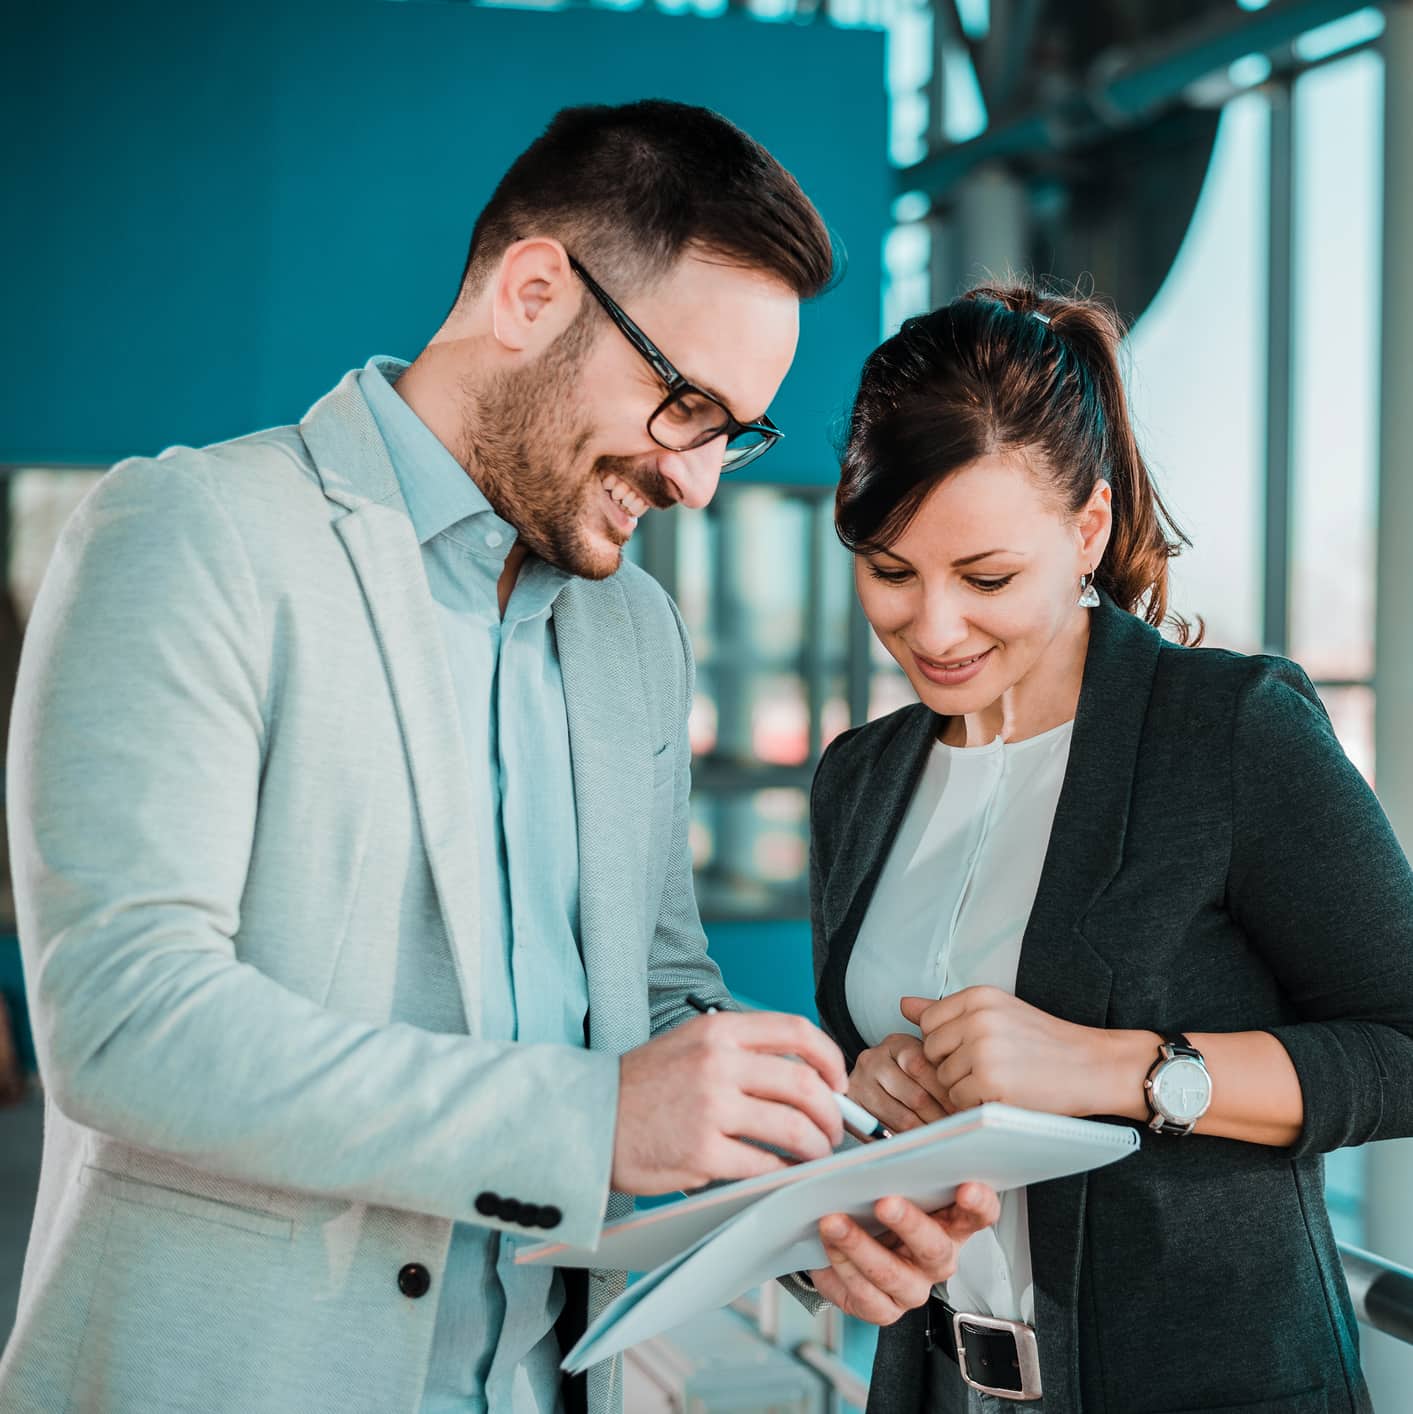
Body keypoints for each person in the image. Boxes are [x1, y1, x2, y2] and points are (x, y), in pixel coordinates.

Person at [0, 101, 1000, 1414]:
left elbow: (653, 997)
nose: (700, 482)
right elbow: (130, 1021)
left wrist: (802, 1193)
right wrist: (593, 1121)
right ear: (531, 292)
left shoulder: (633, 630)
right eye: (687, 403)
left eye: (732, 432)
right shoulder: (196, 534)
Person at [809, 281, 1413, 1413]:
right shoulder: (859, 777)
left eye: (986, 578)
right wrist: (866, 1091)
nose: (933, 629)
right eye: (890, 570)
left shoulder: (1225, 731)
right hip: (937, 1388)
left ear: (1086, 528)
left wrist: (1113, 1069)